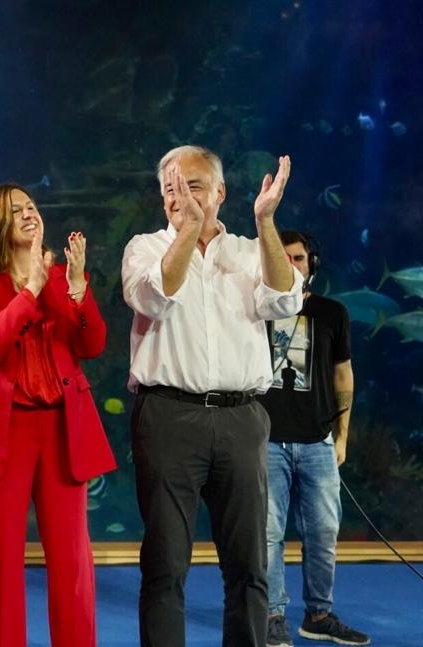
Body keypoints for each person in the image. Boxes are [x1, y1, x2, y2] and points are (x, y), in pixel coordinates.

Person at [121, 145, 304, 646]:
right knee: (165, 564)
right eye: (171, 190)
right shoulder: (144, 247)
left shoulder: (250, 250)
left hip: (241, 419)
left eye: (194, 186)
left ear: (221, 193)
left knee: (249, 566)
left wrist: (266, 222)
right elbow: (154, 296)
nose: (182, 198)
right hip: (167, 417)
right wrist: (185, 234)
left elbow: (286, 299)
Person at [0, 183, 117, 647]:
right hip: (0, 431)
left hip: (64, 430)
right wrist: (30, 293)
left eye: (32, 207)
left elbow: (93, 345)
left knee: (72, 562)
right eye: (16, 210)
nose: (29, 214)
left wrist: (78, 290)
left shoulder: (67, 274)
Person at [261, 231, 369, 647]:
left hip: (317, 440)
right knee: (268, 533)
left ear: (313, 264)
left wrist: (341, 436)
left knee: (324, 530)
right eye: (282, 257)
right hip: (266, 441)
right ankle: (272, 615)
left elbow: (343, 373)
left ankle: (319, 614)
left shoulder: (332, 312)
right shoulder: (255, 308)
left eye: (299, 257)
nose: (291, 264)